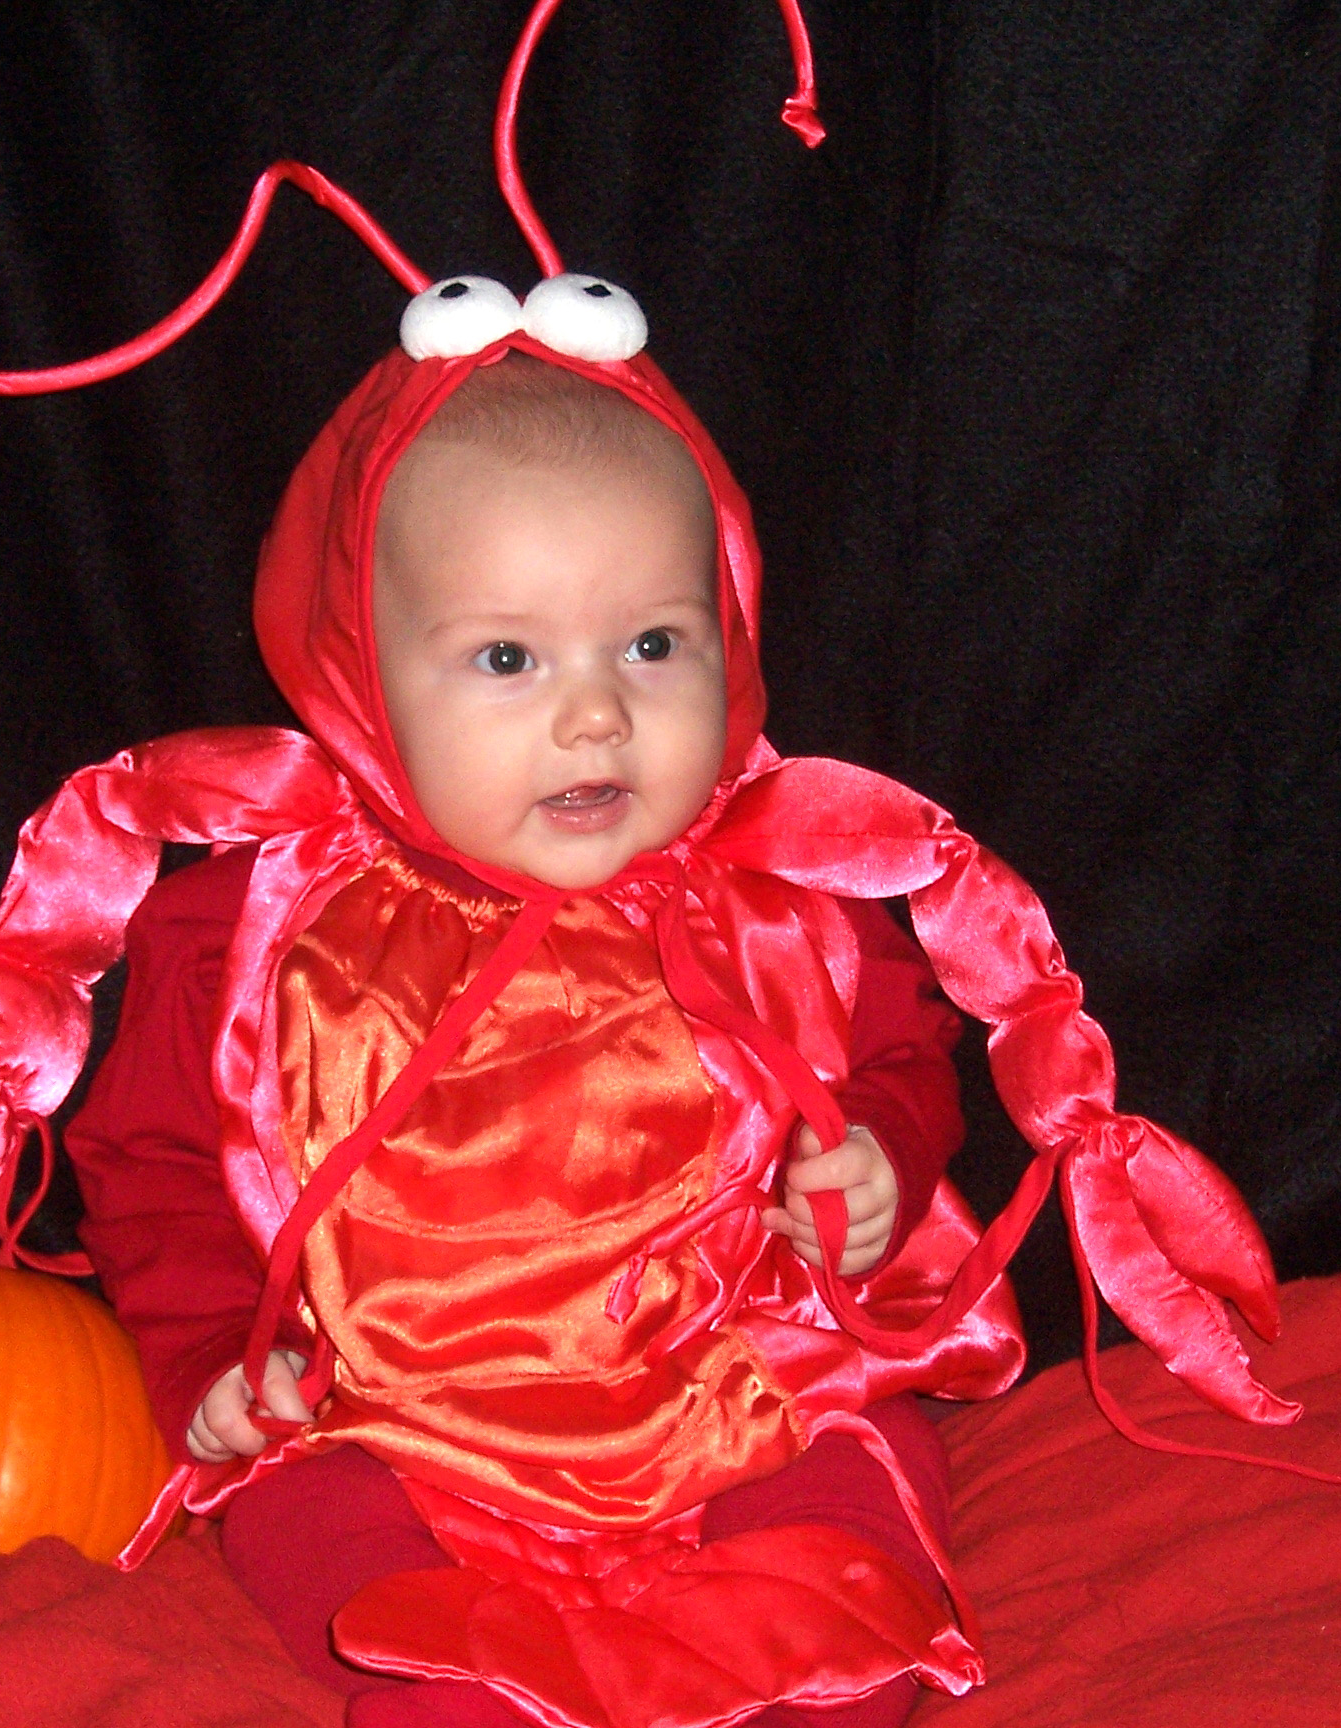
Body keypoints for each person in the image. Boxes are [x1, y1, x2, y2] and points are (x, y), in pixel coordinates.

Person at [66, 351, 1023, 1728]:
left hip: (732, 1374)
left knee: (860, 1478)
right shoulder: (258, 934)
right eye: (508, 658)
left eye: (653, 644)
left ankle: (812, 1664)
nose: (597, 715)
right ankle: (465, 1680)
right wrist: (217, 1346)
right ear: (359, 676)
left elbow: (902, 1055)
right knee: (313, 1529)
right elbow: (154, 1171)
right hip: (393, 1418)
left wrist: (882, 1152)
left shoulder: (777, 898)